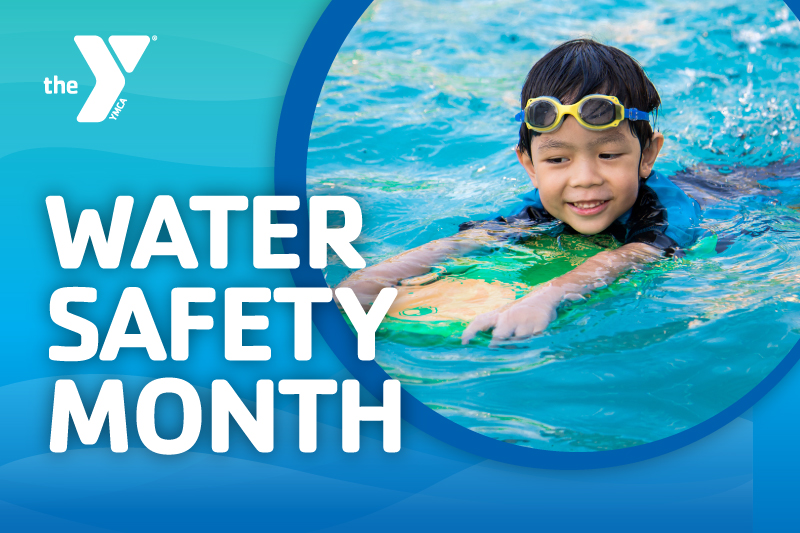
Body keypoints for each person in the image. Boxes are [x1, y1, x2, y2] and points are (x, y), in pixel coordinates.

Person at [338, 39, 702, 345]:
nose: (584, 178)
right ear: (530, 165)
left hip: (733, 189)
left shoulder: (667, 211)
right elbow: (470, 240)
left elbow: (631, 256)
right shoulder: (544, 205)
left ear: (647, 155)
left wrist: (547, 295)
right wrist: (371, 280)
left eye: (607, 155)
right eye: (558, 159)